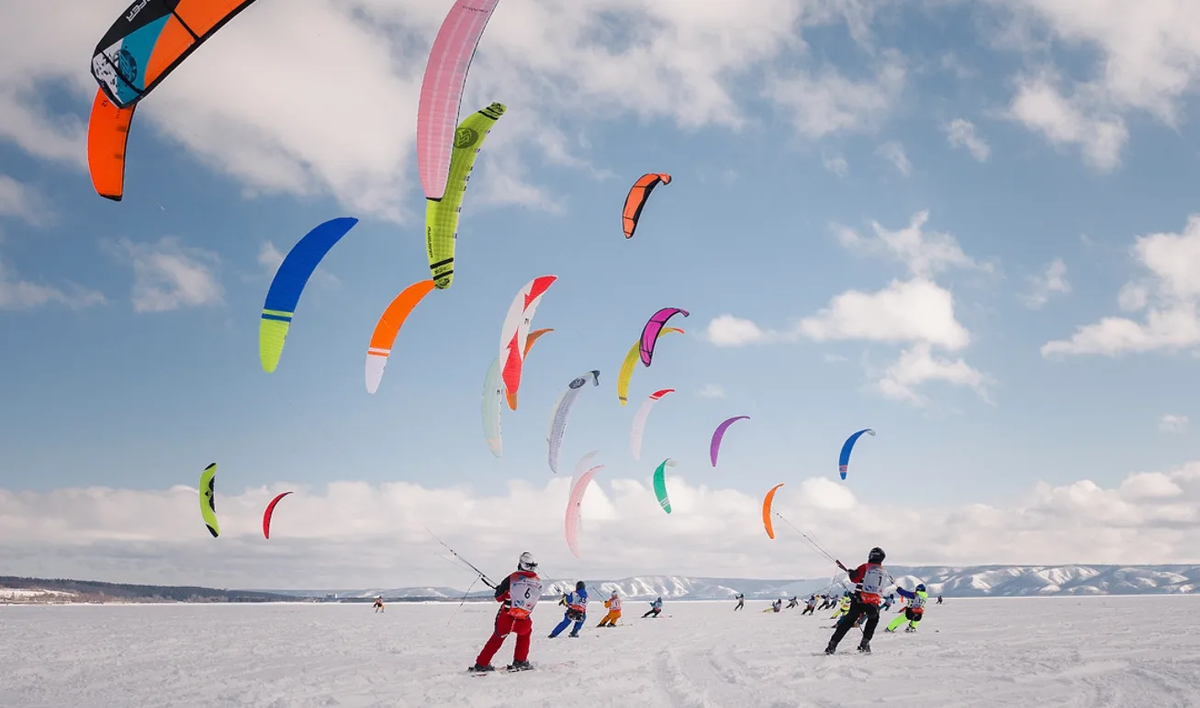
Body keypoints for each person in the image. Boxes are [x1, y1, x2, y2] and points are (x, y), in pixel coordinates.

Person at [469, 551, 543, 673]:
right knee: (525, 634)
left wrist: (501, 590)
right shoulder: (539, 583)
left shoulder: (512, 578)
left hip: (507, 617)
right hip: (524, 619)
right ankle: (520, 661)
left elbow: (498, 598)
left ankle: (482, 664)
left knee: (497, 639)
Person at [823, 546, 887, 655]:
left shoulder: (865, 567)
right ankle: (865, 643)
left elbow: (855, 579)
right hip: (873, 603)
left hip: (858, 600)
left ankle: (832, 645)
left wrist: (852, 573)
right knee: (873, 620)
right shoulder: (883, 572)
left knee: (847, 622)